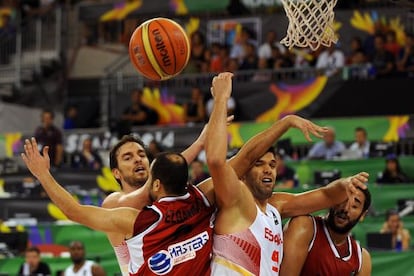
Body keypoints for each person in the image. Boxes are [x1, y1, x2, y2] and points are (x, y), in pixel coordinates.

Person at [205, 72, 369, 275]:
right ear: (243, 174)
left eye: (273, 165)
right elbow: (223, 159)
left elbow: (327, 196)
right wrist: (285, 122)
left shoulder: (276, 208)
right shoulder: (234, 196)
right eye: (259, 164)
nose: (268, 169)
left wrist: (346, 184)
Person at [21, 139, 215, 275]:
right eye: (128, 157)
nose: (138, 159)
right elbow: (73, 211)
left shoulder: (169, 196)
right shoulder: (115, 203)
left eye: (141, 154)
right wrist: (43, 175)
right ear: (116, 173)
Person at [280, 186, 372, 276]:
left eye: (354, 206)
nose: (345, 209)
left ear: (363, 215)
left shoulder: (362, 259)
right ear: (332, 201)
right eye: (342, 200)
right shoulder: (304, 226)